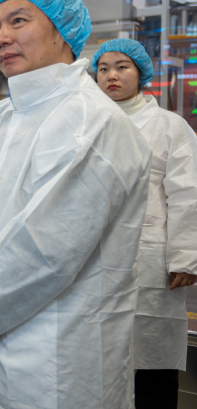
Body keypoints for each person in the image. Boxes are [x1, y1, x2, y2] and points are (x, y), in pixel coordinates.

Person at [0, 0, 153, 409]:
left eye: (18, 21)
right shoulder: (1, 118)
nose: (1, 37)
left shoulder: (91, 120)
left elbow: (46, 247)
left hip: (59, 348)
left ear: (63, 30)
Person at [93, 38, 197, 409]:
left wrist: (185, 257)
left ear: (141, 74)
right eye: (103, 68)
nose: (111, 75)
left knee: (151, 361)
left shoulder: (169, 126)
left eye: (122, 67)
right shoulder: (87, 124)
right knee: (98, 362)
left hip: (150, 258)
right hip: (94, 258)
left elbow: (188, 193)